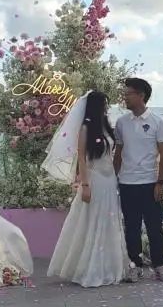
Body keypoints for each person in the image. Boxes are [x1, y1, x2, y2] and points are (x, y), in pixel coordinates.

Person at [43, 90, 129, 287]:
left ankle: (108, 265)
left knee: (109, 219)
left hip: (109, 180)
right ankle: (89, 266)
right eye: (104, 104)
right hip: (94, 178)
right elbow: (81, 158)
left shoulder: (106, 127)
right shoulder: (86, 129)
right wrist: (85, 184)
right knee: (91, 220)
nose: (107, 107)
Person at [115, 77, 163, 282]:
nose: (125, 97)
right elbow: (118, 154)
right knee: (131, 227)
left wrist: (160, 182)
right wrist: (114, 179)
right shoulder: (121, 123)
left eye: (128, 94)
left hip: (150, 183)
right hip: (127, 183)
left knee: (154, 226)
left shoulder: (158, 122)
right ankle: (135, 265)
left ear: (141, 95)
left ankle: (160, 265)